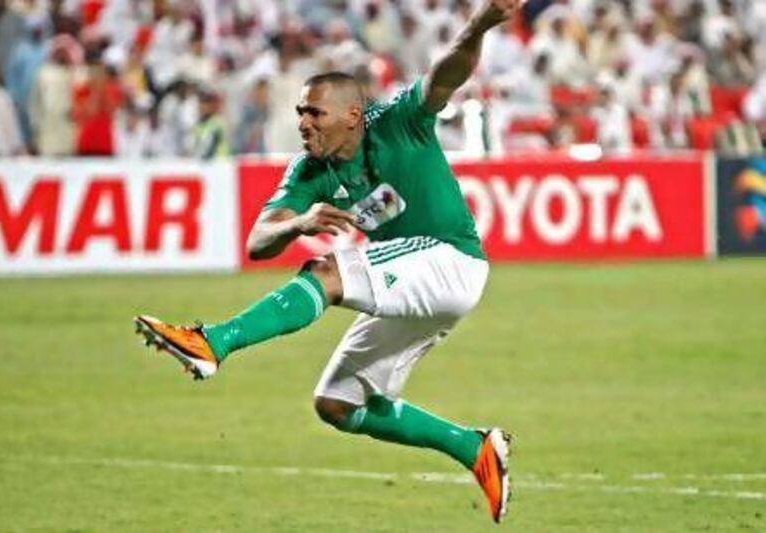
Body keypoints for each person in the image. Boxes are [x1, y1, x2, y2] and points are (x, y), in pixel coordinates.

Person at [134, 0, 519, 523]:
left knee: (327, 274)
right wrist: (296, 223)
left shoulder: (399, 122)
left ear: (352, 116)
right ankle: (474, 449)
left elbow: (447, 72)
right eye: (299, 112)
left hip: (452, 262)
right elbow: (258, 241)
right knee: (337, 404)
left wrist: (482, 23)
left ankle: (212, 343)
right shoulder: (309, 171)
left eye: (314, 113)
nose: (303, 123)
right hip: (415, 286)